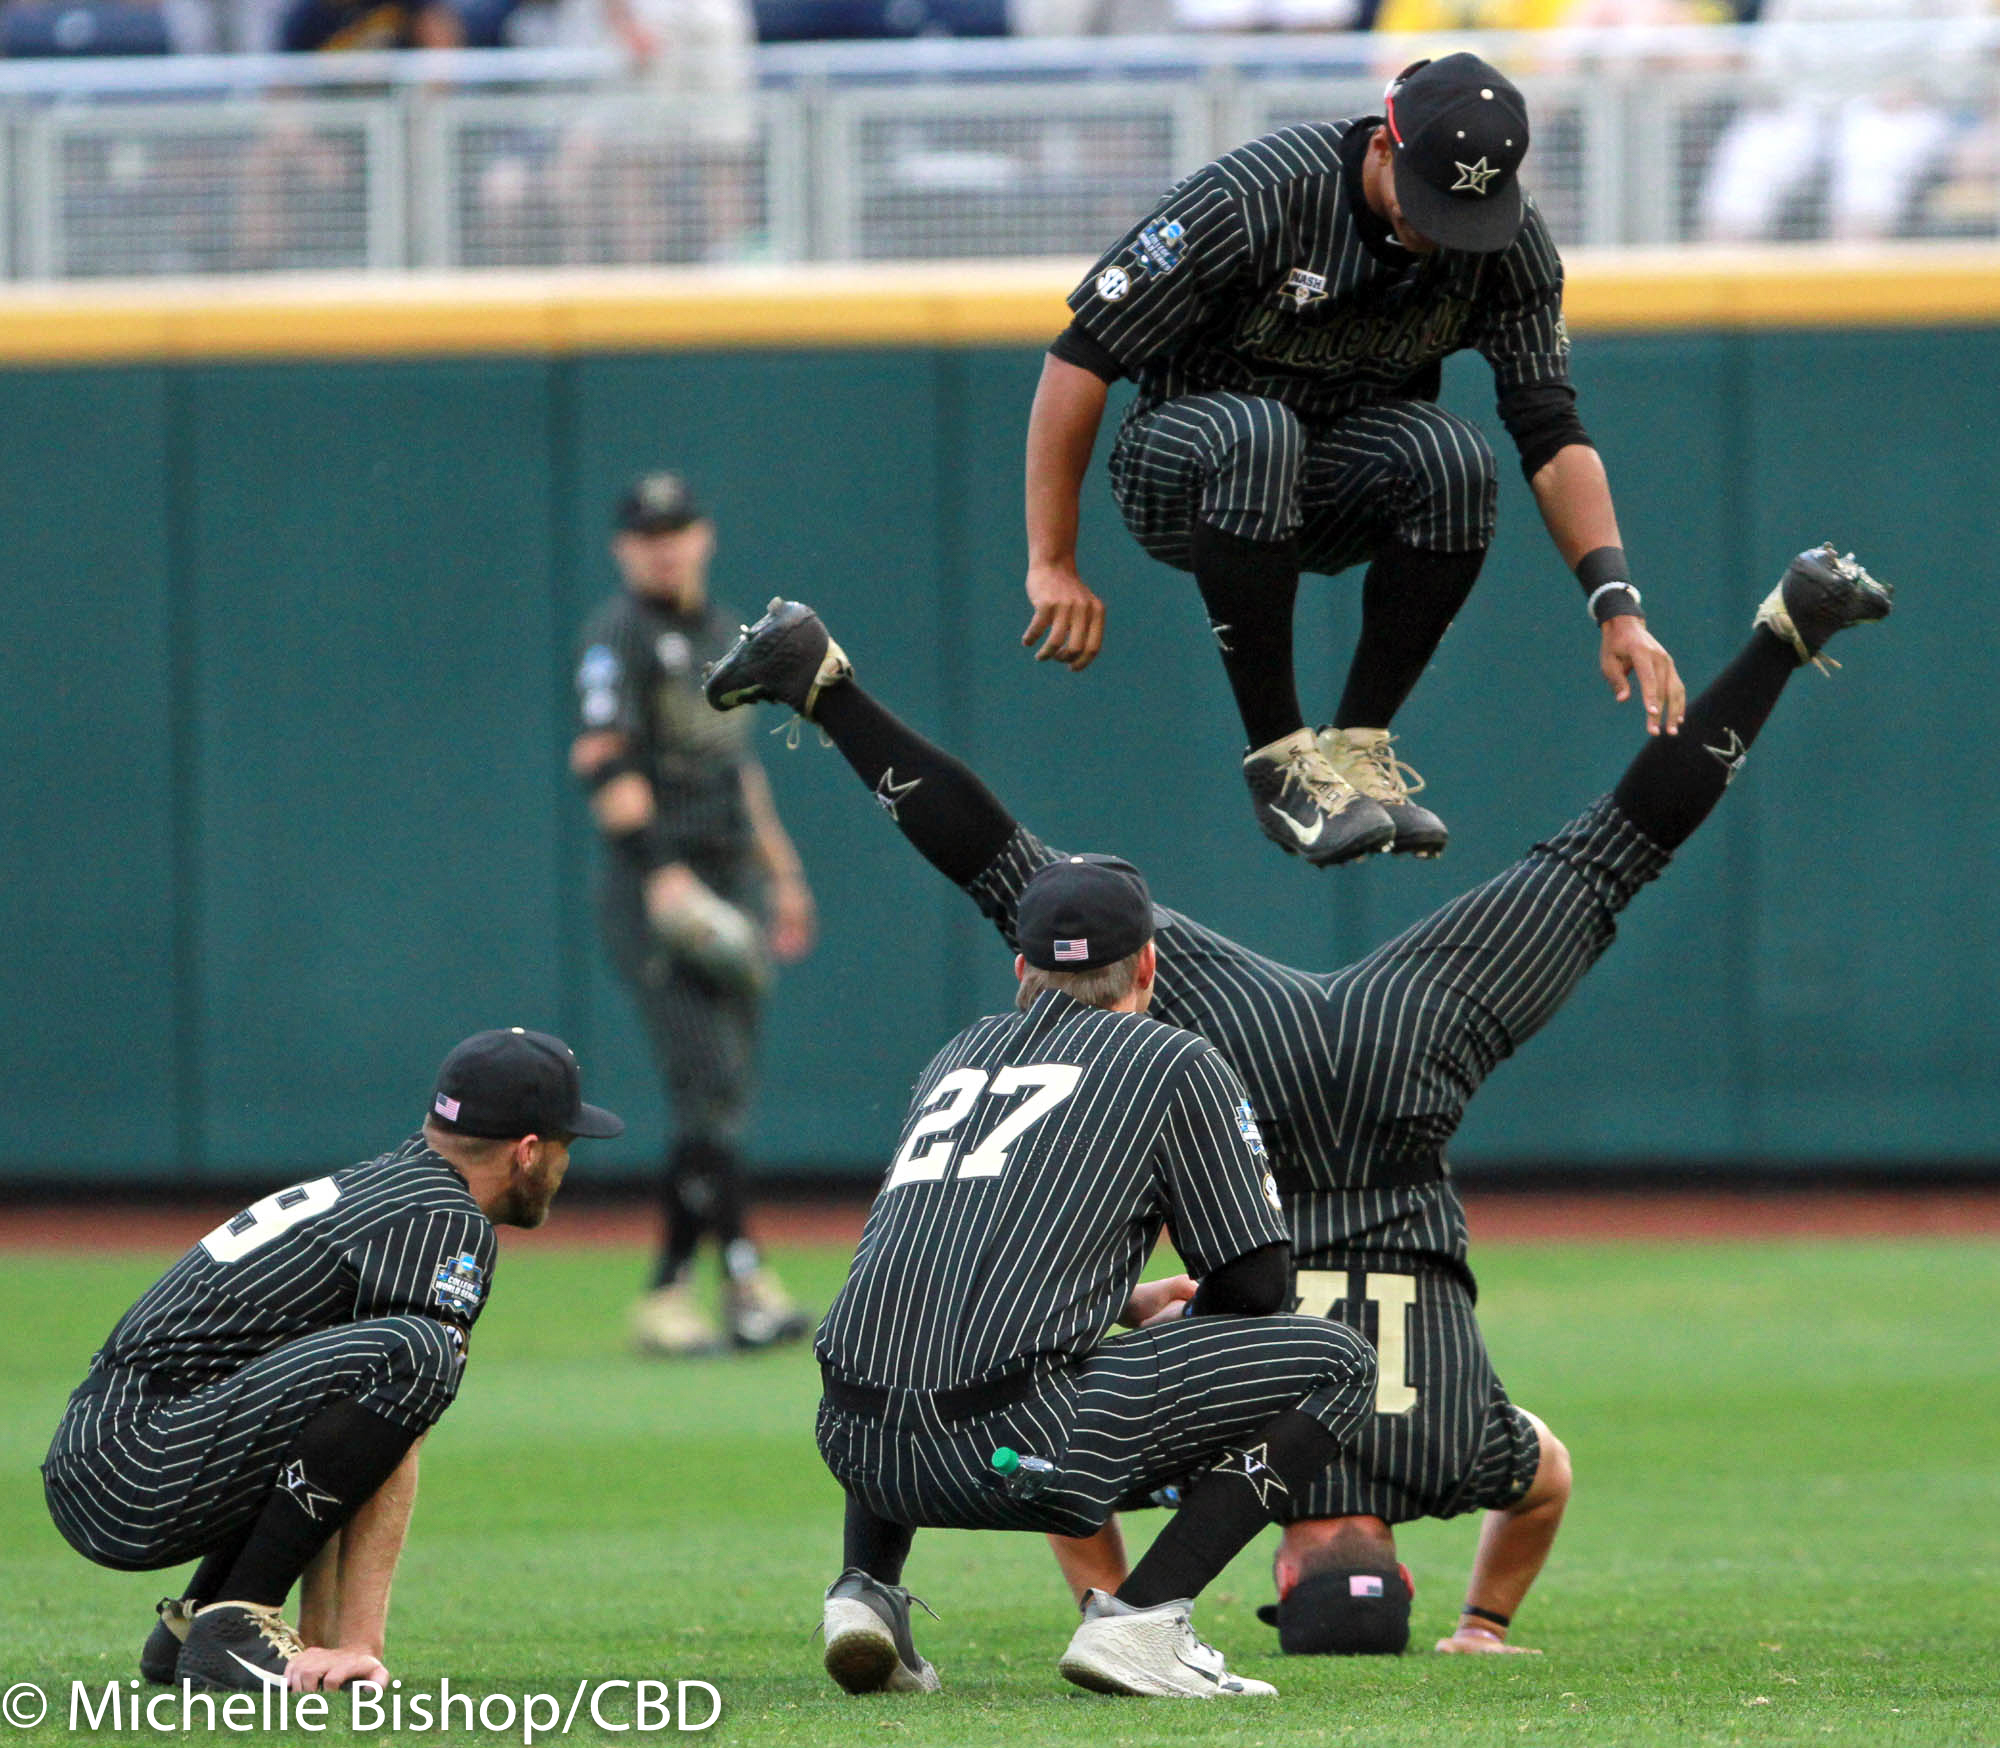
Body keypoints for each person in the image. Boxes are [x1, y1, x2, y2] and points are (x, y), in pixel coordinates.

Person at [705, 543, 1893, 1653]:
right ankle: (823, 685)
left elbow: (1543, 1480)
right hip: (1283, 1085)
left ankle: (1784, 630)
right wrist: (1106, 1595)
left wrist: (1482, 1617)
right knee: (1024, 882)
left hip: (1387, 1068)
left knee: (1603, 856)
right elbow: (1074, 1489)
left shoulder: (1453, 1455)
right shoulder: (1292, 1455)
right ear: (1278, 1572)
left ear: (1397, 1565)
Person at [1021, 52, 1686, 868]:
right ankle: (1279, 761)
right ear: (1381, 147)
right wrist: (1053, 560)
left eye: (1465, 214)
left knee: (1453, 456)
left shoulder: (1506, 242)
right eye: (1428, 205)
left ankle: (1357, 750)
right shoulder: (1256, 196)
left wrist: (1617, 604)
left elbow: (1549, 427)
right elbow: (1081, 355)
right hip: (1184, 470)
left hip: (1332, 481)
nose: (1442, 232)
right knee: (1260, 432)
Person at [812, 855, 1378, 1698]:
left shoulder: (957, 1053)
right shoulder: (1174, 1060)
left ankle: (865, 1589)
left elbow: (947, 1258)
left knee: (913, 1324)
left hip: (855, 1444)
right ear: (1147, 963)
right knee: (1342, 1361)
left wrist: (1121, 1302)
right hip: (1017, 1448)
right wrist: (1189, 1336)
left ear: (1022, 969)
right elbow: (1258, 1287)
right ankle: (1142, 1621)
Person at [41, 1029, 623, 1694]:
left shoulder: (394, 1188)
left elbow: (347, 1437)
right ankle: (235, 1621)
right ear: (528, 1151)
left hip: (118, 1450)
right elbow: (398, 1408)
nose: (565, 1165)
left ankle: (203, 1619)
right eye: (566, 1145)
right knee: (422, 1352)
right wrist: (358, 1645)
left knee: (397, 1369)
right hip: (134, 1464)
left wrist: (318, 1639)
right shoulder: (443, 1217)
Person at [571, 472, 817, 1357]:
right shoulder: (618, 636)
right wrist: (662, 874)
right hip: (659, 895)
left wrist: (784, 874)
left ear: (703, 536)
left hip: (732, 880)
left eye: (676, 530)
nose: (663, 547)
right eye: (647, 534)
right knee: (706, 1081)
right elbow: (601, 759)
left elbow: (739, 768)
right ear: (622, 548)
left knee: (724, 1097)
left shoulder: (723, 633)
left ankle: (679, 1290)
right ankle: (740, 1281)